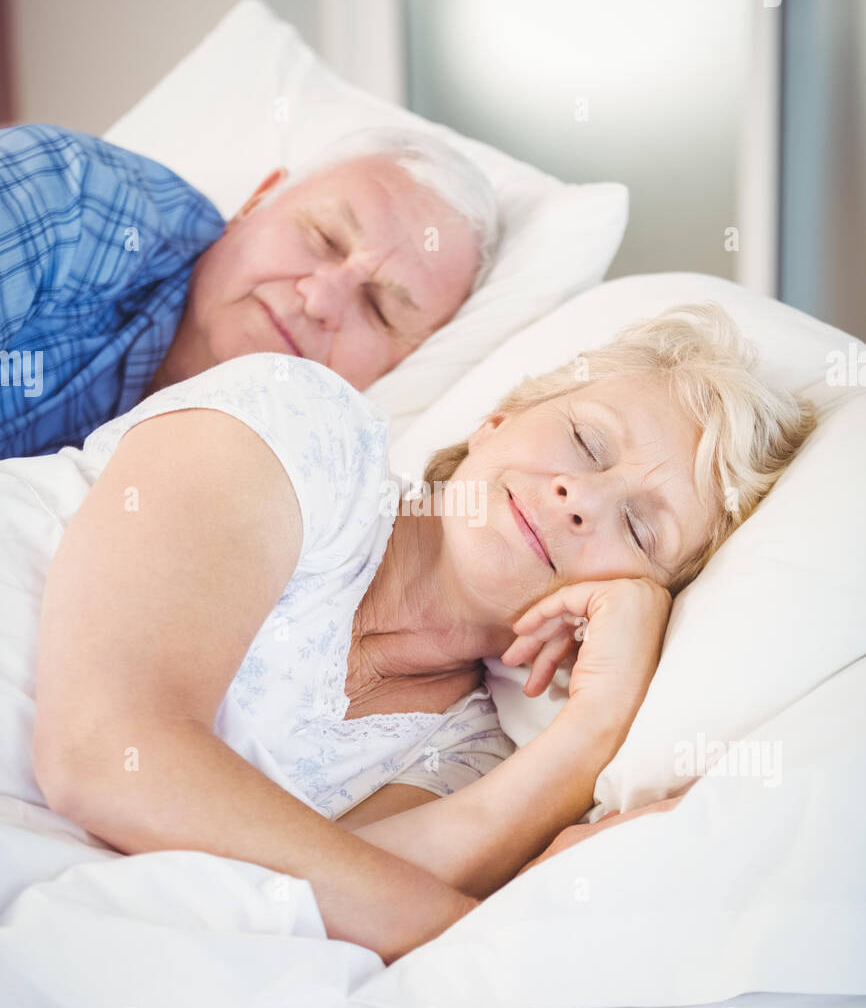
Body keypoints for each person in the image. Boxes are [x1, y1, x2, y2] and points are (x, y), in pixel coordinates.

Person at [19, 303, 814, 964]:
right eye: (587, 441)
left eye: (640, 531)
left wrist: (590, 731)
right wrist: (481, 937)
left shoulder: (473, 754)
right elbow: (102, 754)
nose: (582, 498)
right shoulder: (305, 433)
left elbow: (308, 913)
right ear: (497, 421)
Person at [0, 123, 498, 458]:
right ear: (255, 202)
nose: (320, 299)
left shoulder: (297, 497)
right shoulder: (74, 201)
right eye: (323, 239)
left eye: (380, 310)